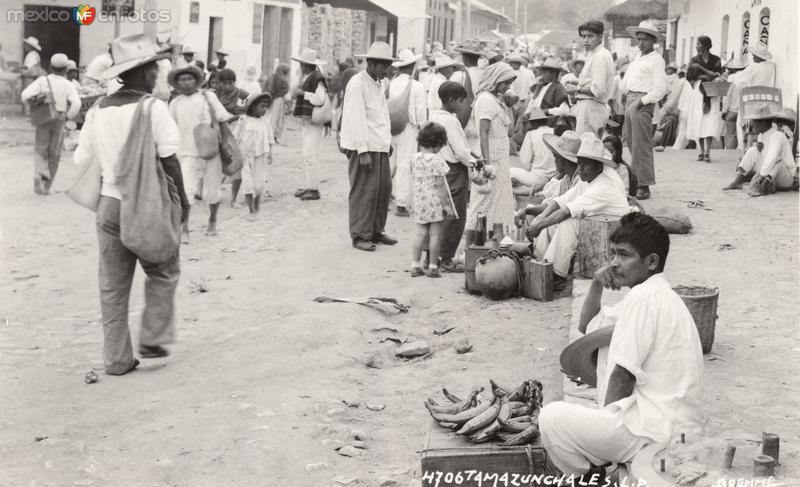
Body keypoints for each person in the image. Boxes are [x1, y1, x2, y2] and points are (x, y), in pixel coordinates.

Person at [540, 212, 704, 477]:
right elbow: (588, 326)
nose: (614, 263)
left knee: (551, 418)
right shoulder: (655, 294)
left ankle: (593, 475)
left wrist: (606, 426)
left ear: (651, 262)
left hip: (654, 431)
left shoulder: (643, 298)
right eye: (613, 254)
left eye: (624, 255)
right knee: (583, 415)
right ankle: (604, 467)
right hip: (670, 424)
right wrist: (595, 282)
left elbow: (622, 376)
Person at [73, 33, 187, 375]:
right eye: (154, 69)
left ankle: (117, 358)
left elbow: (81, 159)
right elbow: (169, 158)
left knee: (112, 285)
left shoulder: (97, 110)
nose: (157, 74)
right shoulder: (154, 108)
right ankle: (153, 337)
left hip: (108, 206)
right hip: (147, 205)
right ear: (145, 73)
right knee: (164, 270)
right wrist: (181, 200)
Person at [526, 133, 630, 289]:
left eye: (585, 165)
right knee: (552, 223)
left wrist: (538, 225)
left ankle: (556, 274)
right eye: (579, 163)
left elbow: (566, 211)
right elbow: (563, 200)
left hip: (614, 229)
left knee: (569, 222)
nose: (579, 169)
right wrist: (541, 218)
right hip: (597, 222)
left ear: (597, 164)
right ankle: (540, 263)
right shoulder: (592, 176)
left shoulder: (604, 185)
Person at [339, 42, 398, 252]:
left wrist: (387, 141)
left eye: (388, 65)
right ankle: (360, 234)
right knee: (364, 191)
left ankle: (376, 230)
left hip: (379, 144)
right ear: (371, 64)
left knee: (382, 190)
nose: (387, 70)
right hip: (362, 145)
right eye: (383, 66)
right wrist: (362, 150)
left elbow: (382, 115)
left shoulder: (379, 83)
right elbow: (356, 118)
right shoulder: (357, 84)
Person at [168, 65, 233, 239]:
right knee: (186, 191)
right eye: (182, 80)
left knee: (212, 191)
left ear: (197, 81)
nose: (186, 82)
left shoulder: (208, 97)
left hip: (211, 151)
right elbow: (171, 128)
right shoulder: (175, 103)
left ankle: (212, 220)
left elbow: (223, 120)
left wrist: (225, 144)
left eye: (189, 79)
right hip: (186, 152)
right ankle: (185, 228)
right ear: (177, 84)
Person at [429, 81, 478, 272]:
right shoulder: (450, 120)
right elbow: (459, 150)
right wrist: (474, 162)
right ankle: (446, 257)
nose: (463, 105)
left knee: (437, 214)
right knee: (455, 216)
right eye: (460, 101)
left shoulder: (434, 115)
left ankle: (431, 256)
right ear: (451, 100)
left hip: (437, 166)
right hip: (453, 170)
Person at [465, 62, 517, 233]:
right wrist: (487, 163)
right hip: (491, 159)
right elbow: (484, 132)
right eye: (505, 83)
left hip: (499, 159)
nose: (508, 87)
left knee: (497, 202)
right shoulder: (486, 99)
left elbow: (508, 130)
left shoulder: (497, 100)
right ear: (495, 80)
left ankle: (490, 242)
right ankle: (471, 247)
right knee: (482, 203)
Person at [619, 21, 667, 201]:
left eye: (645, 39)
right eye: (638, 39)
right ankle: (637, 179)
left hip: (642, 101)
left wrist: (641, 102)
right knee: (631, 143)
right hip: (630, 99)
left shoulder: (656, 60)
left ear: (653, 40)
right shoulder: (637, 58)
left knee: (641, 145)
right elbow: (628, 82)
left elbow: (660, 88)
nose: (641, 43)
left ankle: (644, 185)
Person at [20, 53, 81, 195]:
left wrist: (34, 105)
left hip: (44, 117)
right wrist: (68, 117)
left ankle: (38, 174)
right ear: (66, 69)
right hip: (59, 119)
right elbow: (76, 103)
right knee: (54, 152)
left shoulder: (43, 80)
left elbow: (25, 95)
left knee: (40, 149)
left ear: (50, 67)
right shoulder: (68, 84)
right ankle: (47, 186)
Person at [409, 122, 458, 278]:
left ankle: (415, 265)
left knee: (419, 233)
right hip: (435, 203)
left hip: (419, 201)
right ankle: (432, 267)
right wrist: (447, 206)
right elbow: (440, 185)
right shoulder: (437, 161)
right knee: (435, 235)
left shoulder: (414, 159)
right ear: (437, 144)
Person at [723, 106, 797, 196]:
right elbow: (762, 157)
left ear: (765, 122)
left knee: (776, 159)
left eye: (756, 121)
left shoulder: (777, 136)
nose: (753, 124)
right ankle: (738, 181)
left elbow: (771, 157)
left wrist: (761, 176)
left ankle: (761, 186)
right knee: (752, 150)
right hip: (770, 174)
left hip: (785, 178)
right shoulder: (761, 136)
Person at [514, 130, 581, 227]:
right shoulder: (566, 180)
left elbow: (563, 210)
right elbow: (549, 205)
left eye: (555, 158)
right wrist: (526, 210)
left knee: (546, 226)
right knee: (530, 214)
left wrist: (542, 220)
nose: (554, 161)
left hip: (572, 225)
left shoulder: (579, 181)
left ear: (561, 161)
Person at [388, 49, 427, 217]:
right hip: (409, 128)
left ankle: (386, 195)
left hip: (391, 126)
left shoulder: (392, 83)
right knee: (405, 165)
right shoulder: (417, 86)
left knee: (390, 162)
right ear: (412, 66)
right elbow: (420, 114)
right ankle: (402, 204)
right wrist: (422, 128)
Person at [291, 48, 328, 201]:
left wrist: (303, 94)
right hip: (309, 120)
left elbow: (320, 99)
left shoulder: (316, 78)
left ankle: (314, 189)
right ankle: (310, 185)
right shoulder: (311, 77)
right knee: (308, 154)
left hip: (314, 120)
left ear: (305, 65)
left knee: (310, 154)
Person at [568, 21, 615, 138]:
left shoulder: (599, 56)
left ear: (600, 38)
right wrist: (578, 82)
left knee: (586, 148)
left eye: (590, 36)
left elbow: (597, 90)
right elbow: (593, 82)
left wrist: (577, 89)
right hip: (592, 107)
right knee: (590, 147)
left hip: (591, 107)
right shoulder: (595, 54)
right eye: (583, 36)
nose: (585, 40)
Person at [234, 92, 274, 217]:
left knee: (259, 185)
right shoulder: (244, 120)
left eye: (266, 106)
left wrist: (271, 153)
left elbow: (270, 138)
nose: (264, 109)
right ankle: (251, 209)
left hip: (260, 156)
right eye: (262, 106)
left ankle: (257, 201)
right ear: (253, 107)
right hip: (244, 156)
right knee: (247, 183)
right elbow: (235, 136)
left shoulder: (266, 122)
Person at [686, 36, 723, 163]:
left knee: (711, 122)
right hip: (698, 93)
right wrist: (707, 75)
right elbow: (689, 76)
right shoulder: (694, 60)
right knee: (699, 121)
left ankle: (708, 152)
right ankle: (701, 151)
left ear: (706, 46)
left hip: (712, 93)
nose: (696, 46)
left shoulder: (716, 59)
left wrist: (701, 71)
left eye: (699, 44)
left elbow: (717, 74)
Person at [511, 108, 556, 195]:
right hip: (554, 178)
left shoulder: (531, 134)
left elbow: (526, 162)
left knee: (509, 171)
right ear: (545, 121)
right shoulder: (554, 131)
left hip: (538, 179)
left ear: (533, 123)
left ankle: (524, 188)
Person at [451, 39, 484, 152]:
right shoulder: (485, 75)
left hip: (463, 121)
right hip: (480, 123)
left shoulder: (459, 75)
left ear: (464, 58)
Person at [721, 58, 747, 150]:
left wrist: (724, 110)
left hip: (732, 110)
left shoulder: (731, 78)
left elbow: (727, 95)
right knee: (742, 133)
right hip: (744, 110)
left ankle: (730, 153)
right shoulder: (747, 76)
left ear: (733, 69)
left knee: (730, 133)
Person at [265, 63, 290, 143]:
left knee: (273, 117)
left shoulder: (272, 77)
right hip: (277, 100)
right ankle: (272, 136)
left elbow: (267, 88)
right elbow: (285, 90)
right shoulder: (282, 80)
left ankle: (271, 136)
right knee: (275, 118)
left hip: (272, 99)